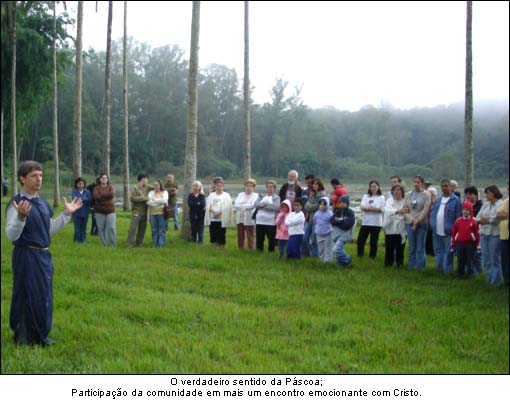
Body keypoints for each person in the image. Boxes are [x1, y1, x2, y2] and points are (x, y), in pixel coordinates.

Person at [6, 161, 82, 346]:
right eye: (34, 175)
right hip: (26, 256)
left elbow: (47, 230)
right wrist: (21, 217)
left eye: (40, 175)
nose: (39, 179)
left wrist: (65, 214)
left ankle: (40, 334)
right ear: (22, 178)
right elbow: (11, 235)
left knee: (43, 296)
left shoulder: (42, 203)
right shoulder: (16, 204)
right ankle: (23, 337)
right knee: (26, 295)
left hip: (43, 257)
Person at [429, 178, 462, 274]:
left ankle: (447, 270)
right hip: (436, 230)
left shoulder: (456, 200)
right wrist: (432, 224)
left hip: (448, 231)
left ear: (450, 187)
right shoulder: (438, 200)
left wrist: (455, 230)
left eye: (446, 186)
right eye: (442, 186)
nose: (444, 188)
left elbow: (458, 217)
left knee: (448, 251)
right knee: (438, 250)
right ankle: (439, 268)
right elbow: (433, 213)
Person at [403, 175, 432, 270]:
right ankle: (411, 265)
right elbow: (405, 210)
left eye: (418, 182)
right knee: (412, 246)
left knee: (420, 246)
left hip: (422, 224)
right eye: (414, 182)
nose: (416, 184)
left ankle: (421, 267)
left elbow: (426, 209)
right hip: (409, 223)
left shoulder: (426, 195)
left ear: (422, 184)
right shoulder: (408, 195)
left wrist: (418, 221)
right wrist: (412, 220)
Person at [477, 185, 503, 285]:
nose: (486, 195)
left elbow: (496, 219)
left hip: (494, 235)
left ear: (493, 193)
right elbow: (477, 217)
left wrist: (486, 219)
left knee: (494, 259)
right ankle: (489, 280)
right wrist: (485, 219)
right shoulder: (485, 204)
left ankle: (495, 282)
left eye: (488, 193)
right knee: (486, 259)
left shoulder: (500, 204)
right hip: (484, 234)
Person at [357, 180, 385, 259]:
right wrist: (372, 208)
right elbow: (362, 206)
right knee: (361, 240)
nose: (373, 188)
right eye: (371, 186)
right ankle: (360, 255)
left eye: (375, 186)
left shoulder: (381, 197)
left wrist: (367, 208)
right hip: (366, 222)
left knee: (373, 241)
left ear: (378, 187)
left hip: (376, 223)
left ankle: (372, 257)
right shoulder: (366, 196)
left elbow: (380, 209)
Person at [451, 201, 480, 278]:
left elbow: (477, 234)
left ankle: (471, 274)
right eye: (463, 210)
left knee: (469, 260)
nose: (465, 212)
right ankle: (460, 273)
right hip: (459, 243)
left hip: (470, 244)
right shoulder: (458, 221)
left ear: (470, 211)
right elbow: (454, 233)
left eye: (467, 210)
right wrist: (453, 244)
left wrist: (478, 245)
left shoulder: (474, 221)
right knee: (460, 259)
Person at [382, 183, 407, 268]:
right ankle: (388, 264)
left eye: (399, 190)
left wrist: (397, 212)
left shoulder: (405, 201)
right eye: (395, 190)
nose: (397, 192)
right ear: (392, 191)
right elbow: (387, 210)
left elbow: (406, 212)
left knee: (400, 248)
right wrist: (398, 211)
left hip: (401, 228)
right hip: (390, 228)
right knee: (389, 247)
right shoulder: (389, 201)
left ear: (402, 192)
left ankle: (399, 264)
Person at [205, 178, 233, 248]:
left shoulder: (226, 195)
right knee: (213, 232)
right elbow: (208, 205)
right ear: (215, 186)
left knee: (221, 232)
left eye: (221, 185)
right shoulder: (211, 195)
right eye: (217, 185)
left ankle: (222, 246)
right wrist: (213, 212)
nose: (219, 187)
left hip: (222, 217)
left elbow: (228, 205)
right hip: (212, 217)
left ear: (223, 187)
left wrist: (219, 212)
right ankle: (213, 245)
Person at [254, 180, 280, 252]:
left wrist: (262, 205)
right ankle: (259, 251)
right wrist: (266, 204)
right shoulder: (261, 196)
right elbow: (255, 204)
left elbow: (275, 207)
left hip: (271, 222)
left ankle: (271, 252)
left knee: (271, 239)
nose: (269, 188)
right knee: (259, 238)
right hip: (259, 221)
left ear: (274, 188)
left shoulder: (276, 198)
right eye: (268, 187)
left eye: (271, 187)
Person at [331, 194, 356, 268]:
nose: (341, 204)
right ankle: (341, 265)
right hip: (336, 234)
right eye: (340, 202)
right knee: (339, 250)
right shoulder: (337, 211)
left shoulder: (350, 212)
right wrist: (342, 222)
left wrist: (338, 222)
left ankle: (347, 259)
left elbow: (348, 225)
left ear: (347, 203)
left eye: (343, 202)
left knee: (336, 249)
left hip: (345, 235)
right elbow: (332, 220)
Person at [304, 177, 326, 258]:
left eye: (316, 184)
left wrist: (310, 206)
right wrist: (310, 206)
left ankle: (314, 256)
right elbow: (306, 206)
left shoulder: (322, 195)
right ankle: (306, 255)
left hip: (316, 221)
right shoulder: (312, 194)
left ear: (320, 185)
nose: (314, 185)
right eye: (313, 184)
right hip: (309, 219)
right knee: (304, 238)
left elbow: (318, 206)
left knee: (314, 240)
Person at [234, 179, 258, 249]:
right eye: (247, 186)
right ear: (245, 187)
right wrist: (245, 206)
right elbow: (235, 205)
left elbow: (252, 206)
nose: (248, 187)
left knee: (250, 234)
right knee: (240, 235)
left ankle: (251, 248)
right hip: (240, 218)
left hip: (249, 218)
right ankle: (241, 248)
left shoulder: (255, 195)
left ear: (253, 187)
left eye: (251, 186)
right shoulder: (240, 194)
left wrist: (241, 205)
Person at [93, 173, 117, 246]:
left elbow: (111, 194)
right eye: (102, 178)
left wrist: (102, 196)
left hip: (110, 211)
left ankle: (113, 245)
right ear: (100, 179)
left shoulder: (111, 187)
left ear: (107, 179)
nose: (104, 179)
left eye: (105, 178)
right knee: (101, 229)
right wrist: (107, 196)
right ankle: (104, 244)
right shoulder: (96, 188)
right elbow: (96, 197)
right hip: (99, 211)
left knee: (111, 227)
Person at [126, 174, 149, 247]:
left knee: (142, 229)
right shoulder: (134, 188)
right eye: (146, 179)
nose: (147, 181)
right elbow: (132, 198)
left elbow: (158, 188)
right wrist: (145, 198)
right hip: (136, 212)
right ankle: (129, 244)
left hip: (145, 212)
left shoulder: (148, 187)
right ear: (142, 179)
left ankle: (139, 243)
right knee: (132, 228)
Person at [464, 185, 483, 274]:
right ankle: (469, 271)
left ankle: (478, 273)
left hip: (477, 233)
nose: (468, 196)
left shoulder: (480, 205)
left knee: (476, 255)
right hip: (466, 233)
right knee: (467, 253)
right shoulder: (464, 205)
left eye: (470, 194)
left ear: (475, 195)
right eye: (466, 194)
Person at [147, 180, 169, 247]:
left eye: (157, 185)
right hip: (152, 214)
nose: (156, 186)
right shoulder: (150, 192)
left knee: (161, 231)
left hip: (162, 214)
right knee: (154, 231)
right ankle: (155, 245)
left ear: (160, 185)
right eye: (154, 185)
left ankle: (161, 245)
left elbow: (164, 200)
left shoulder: (165, 192)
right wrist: (159, 201)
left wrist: (154, 200)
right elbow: (148, 202)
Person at [71, 177, 92, 243]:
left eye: (82, 183)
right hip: (76, 213)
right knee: (77, 228)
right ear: (76, 184)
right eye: (79, 183)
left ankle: (83, 240)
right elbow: (75, 200)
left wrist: (80, 200)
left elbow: (89, 200)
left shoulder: (87, 192)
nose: (80, 185)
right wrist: (84, 200)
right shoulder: (74, 192)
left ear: (84, 184)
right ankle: (76, 240)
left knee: (84, 228)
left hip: (85, 212)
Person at [496, 183, 509, 288]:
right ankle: (506, 283)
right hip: (505, 236)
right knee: (505, 261)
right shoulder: (506, 201)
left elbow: (502, 215)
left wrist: (505, 215)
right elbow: (498, 214)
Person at [314, 197, 334, 263]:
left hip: (328, 233)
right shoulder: (316, 214)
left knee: (328, 248)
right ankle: (322, 261)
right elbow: (315, 222)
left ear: (327, 205)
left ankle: (328, 262)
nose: (322, 206)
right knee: (320, 249)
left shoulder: (330, 214)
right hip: (319, 234)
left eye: (324, 204)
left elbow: (333, 223)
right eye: (321, 204)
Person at [425, 187, 437, 257]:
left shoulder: (436, 203)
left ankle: (433, 252)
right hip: (427, 222)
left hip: (434, 223)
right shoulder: (427, 202)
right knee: (427, 238)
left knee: (433, 238)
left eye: (432, 195)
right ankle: (427, 251)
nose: (430, 196)